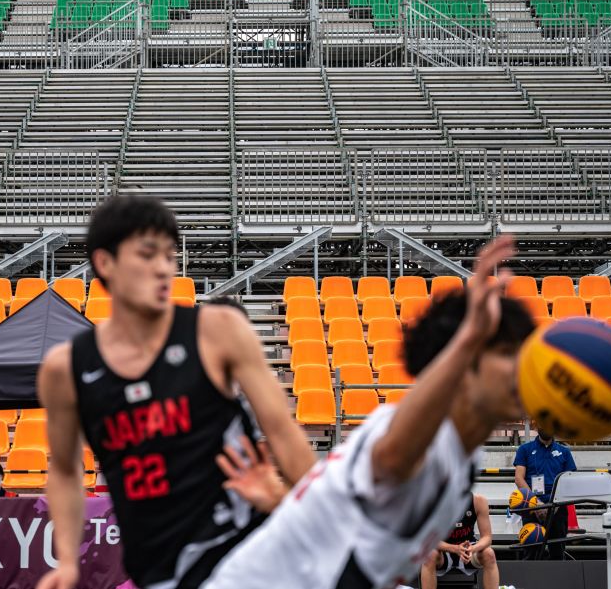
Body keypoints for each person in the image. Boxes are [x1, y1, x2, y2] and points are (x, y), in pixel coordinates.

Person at [204, 236, 535, 589]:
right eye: (507, 354)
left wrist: (283, 502)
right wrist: (468, 338)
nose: (523, 366)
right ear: (466, 363)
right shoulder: (418, 440)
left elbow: (350, 525)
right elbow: (394, 458)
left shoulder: (464, 458)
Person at [36, 196, 316, 589]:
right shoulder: (65, 369)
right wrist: (67, 562)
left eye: (170, 256)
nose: (165, 268)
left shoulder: (217, 330)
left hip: (244, 550)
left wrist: (323, 523)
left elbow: (284, 433)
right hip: (159, 568)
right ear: (105, 263)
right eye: (148, 255)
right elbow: (65, 470)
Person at [514, 424, 577, 559]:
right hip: (531, 508)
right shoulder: (524, 449)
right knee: (530, 552)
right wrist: (536, 504)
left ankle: (559, 579)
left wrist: (552, 507)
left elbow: (569, 482)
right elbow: (519, 478)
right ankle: (530, 579)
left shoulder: (564, 452)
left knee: (558, 553)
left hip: (557, 508)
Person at [420, 493, 498, 589]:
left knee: (489, 554)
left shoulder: (478, 501)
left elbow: (487, 537)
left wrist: (473, 548)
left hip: (468, 550)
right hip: (443, 551)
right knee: (429, 555)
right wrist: (454, 548)